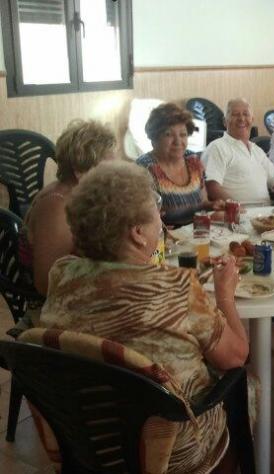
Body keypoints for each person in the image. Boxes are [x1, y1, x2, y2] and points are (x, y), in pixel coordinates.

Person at [39, 161, 251, 473]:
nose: (161, 219)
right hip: (169, 451)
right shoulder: (177, 287)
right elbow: (236, 357)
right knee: (249, 388)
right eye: (156, 212)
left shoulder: (62, 274)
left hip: (86, 439)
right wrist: (225, 296)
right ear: (138, 233)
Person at [19, 119, 116, 297]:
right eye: (107, 168)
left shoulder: (80, 194)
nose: (113, 175)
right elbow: (46, 284)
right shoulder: (57, 208)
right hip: (52, 304)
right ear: (80, 171)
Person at [137, 102, 222, 226]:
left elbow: (203, 203)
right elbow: (149, 218)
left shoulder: (193, 159)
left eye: (183, 134)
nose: (178, 141)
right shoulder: (144, 168)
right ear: (154, 138)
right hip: (165, 235)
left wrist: (213, 205)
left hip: (198, 231)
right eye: (168, 134)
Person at [203, 98, 274, 204]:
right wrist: (236, 207)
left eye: (246, 114)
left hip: (266, 211)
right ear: (225, 121)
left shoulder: (257, 150)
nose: (241, 118)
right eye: (235, 114)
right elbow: (212, 186)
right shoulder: (217, 147)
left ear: (252, 119)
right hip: (239, 212)